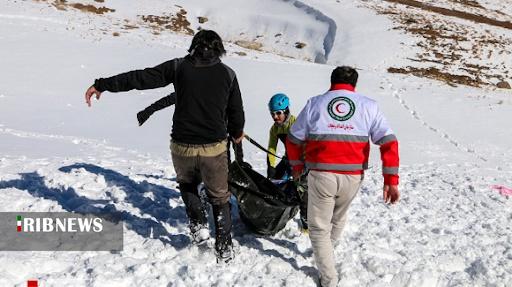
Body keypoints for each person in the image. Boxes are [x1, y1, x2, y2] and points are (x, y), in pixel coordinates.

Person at [84, 30, 245, 263]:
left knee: (188, 185)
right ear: (219, 49)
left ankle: (198, 225)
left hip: (182, 147)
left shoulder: (178, 67)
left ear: (194, 46)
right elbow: (236, 115)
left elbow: (140, 78)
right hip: (213, 149)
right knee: (219, 198)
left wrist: (102, 85)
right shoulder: (228, 74)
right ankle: (223, 247)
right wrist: (237, 133)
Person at [286, 66, 400, 287]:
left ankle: (329, 279)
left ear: (331, 81)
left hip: (321, 174)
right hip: (353, 177)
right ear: (354, 84)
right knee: (338, 217)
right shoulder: (369, 106)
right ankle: (327, 254)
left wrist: (297, 165)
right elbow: (389, 141)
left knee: (319, 228)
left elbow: (293, 138)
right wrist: (390, 180)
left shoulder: (315, 103)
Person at [266, 93, 308, 232]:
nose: (275, 117)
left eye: (278, 113)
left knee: (301, 189)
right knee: (273, 181)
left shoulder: (296, 124)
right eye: (272, 113)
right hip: (288, 159)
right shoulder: (275, 128)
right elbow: (272, 147)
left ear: (286, 111)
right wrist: (271, 166)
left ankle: (306, 222)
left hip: (302, 161)